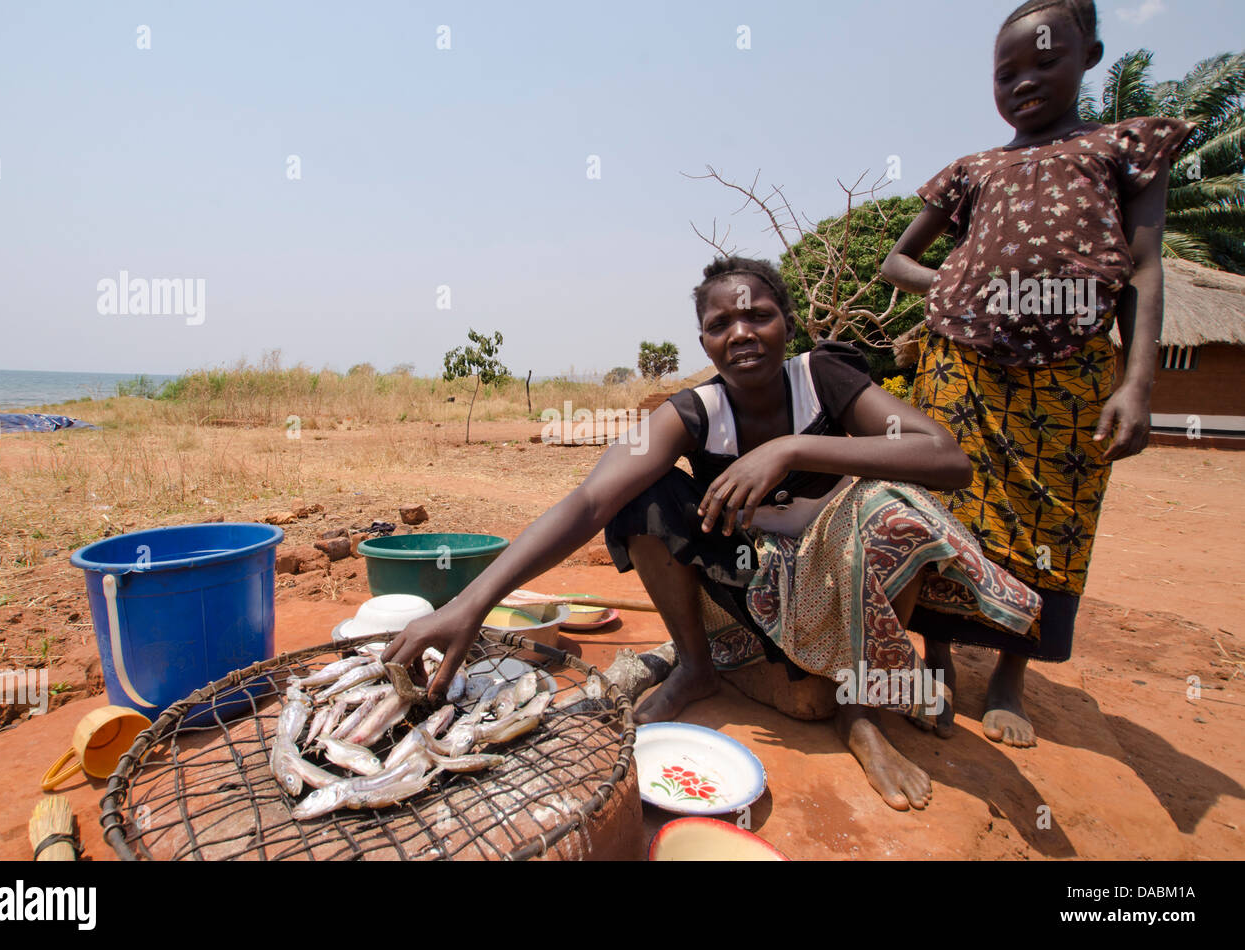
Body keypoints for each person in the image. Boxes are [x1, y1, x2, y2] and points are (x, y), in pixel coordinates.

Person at [386, 256, 1044, 811]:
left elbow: (945, 457)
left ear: (788, 323)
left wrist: (789, 450)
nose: (742, 332)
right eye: (720, 323)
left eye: (758, 314)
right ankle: (697, 664)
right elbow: (589, 501)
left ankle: (861, 710)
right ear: (703, 343)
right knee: (641, 494)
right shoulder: (695, 411)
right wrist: (470, 604)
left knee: (888, 508)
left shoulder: (823, 379)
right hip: (746, 584)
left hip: (842, 578)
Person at [881, 0, 1192, 748]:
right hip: (964, 366)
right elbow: (899, 260)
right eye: (1006, 72)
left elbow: (1144, 270)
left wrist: (1139, 384)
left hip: (1072, 373)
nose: (1024, 82)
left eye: (1044, 62)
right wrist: (952, 286)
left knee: (1052, 519)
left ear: (1090, 57)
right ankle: (940, 657)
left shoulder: (1123, 149)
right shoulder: (973, 169)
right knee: (947, 512)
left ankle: (1013, 672)